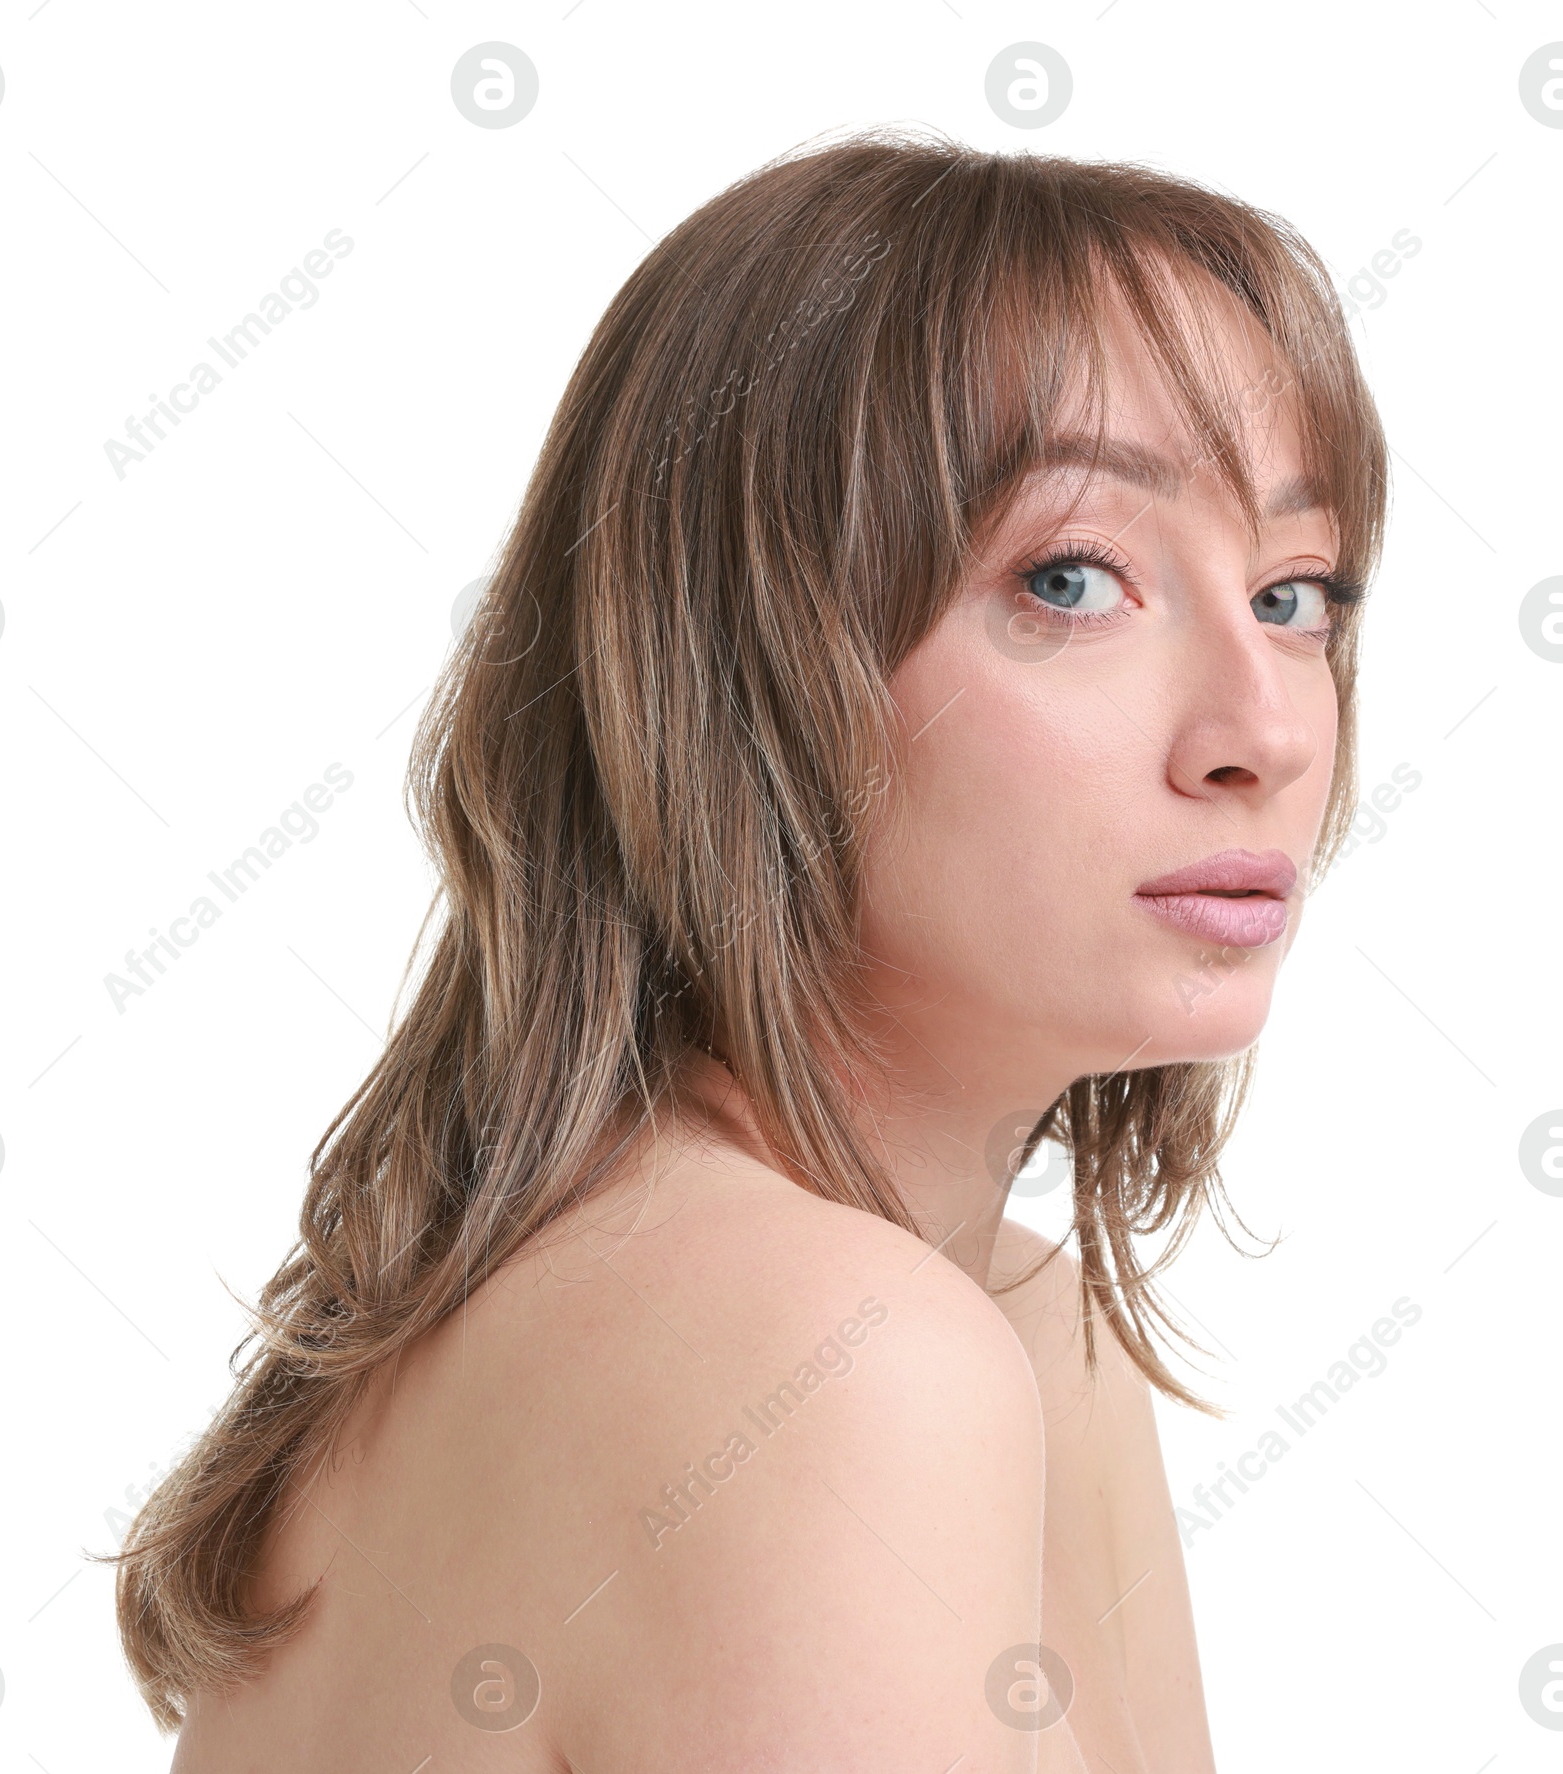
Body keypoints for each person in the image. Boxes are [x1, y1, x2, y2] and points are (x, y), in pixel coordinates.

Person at [112, 126, 1386, 1770]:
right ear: (742, 675)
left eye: (1296, 592)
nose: (1262, 729)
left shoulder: (1014, 1329)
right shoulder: (828, 1359)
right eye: (1072, 577)